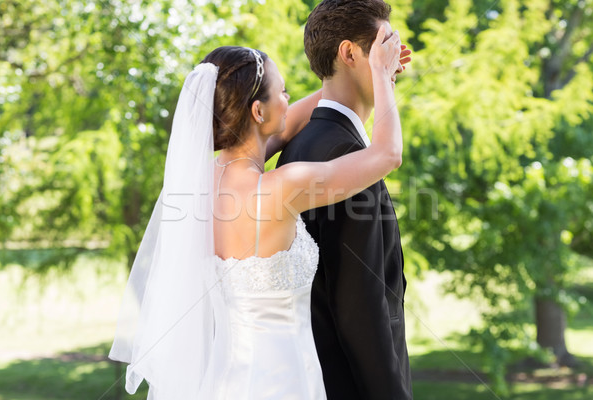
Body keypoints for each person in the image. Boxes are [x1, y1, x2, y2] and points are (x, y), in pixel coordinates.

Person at [109, 27, 408, 399]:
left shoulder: (201, 183)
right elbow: (387, 155)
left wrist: (357, 73)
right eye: (283, 91)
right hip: (283, 380)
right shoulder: (282, 187)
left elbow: (295, 116)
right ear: (257, 111)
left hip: (227, 378)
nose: (289, 99)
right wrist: (378, 73)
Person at [276, 1, 413, 399]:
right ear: (350, 53)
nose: (393, 59)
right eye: (386, 45)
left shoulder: (304, 142)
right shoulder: (346, 157)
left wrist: (379, 71)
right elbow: (360, 309)